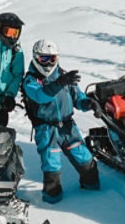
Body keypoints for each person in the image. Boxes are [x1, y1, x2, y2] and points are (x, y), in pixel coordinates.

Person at [21, 38, 99, 203]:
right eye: (44, 58)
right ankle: (52, 198)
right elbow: (40, 96)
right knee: (51, 163)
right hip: (46, 128)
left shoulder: (63, 75)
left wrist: (88, 103)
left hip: (68, 126)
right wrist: (59, 83)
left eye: (53, 58)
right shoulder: (31, 80)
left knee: (84, 157)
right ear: (36, 57)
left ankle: (93, 189)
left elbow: (78, 98)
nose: (49, 63)